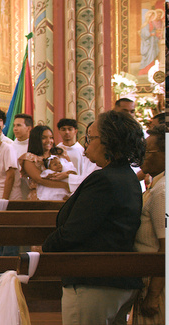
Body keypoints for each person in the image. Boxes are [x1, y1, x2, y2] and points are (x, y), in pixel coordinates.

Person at [42, 110, 146, 324]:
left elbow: (74, 230)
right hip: (115, 280)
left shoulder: (104, 180)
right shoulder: (127, 176)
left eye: (91, 139)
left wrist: (46, 247)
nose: (86, 146)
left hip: (94, 281)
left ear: (109, 141)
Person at [132, 125, 165, 324]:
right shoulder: (157, 185)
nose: (143, 156)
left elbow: (166, 247)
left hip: (156, 283)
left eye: (148, 152)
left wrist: (153, 294)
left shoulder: (162, 192)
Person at [18, 125, 69, 200]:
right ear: (36, 140)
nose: (49, 141)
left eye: (51, 137)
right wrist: (65, 185)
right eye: (43, 138)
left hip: (63, 195)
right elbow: (40, 179)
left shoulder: (60, 152)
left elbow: (71, 169)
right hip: (40, 197)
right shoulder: (29, 158)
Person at [10, 113, 33, 200]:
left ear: (28, 128)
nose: (15, 129)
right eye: (14, 125)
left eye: (19, 125)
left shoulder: (34, 146)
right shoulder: (9, 146)